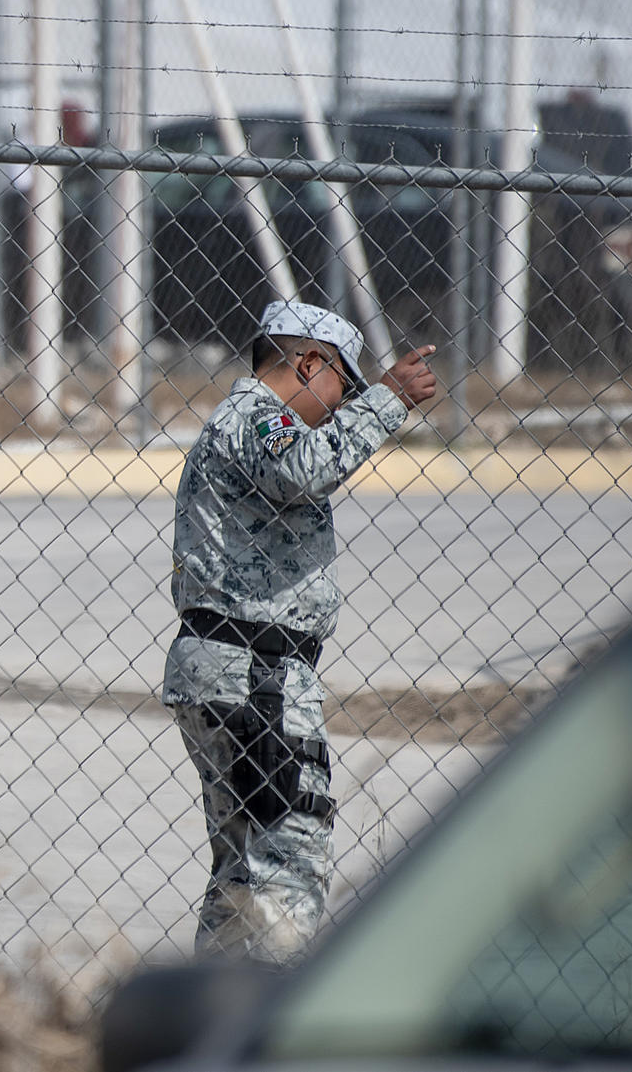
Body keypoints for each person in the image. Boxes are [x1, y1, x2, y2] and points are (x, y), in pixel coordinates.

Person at [163, 301, 439, 963]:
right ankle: (270, 1027)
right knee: (287, 866)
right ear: (310, 364)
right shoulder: (258, 416)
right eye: (342, 384)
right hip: (256, 672)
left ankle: (213, 1026)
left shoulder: (249, 421)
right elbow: (304, 468)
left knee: (245, 875)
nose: (342, 402)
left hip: (242, 668)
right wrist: (390, 399)